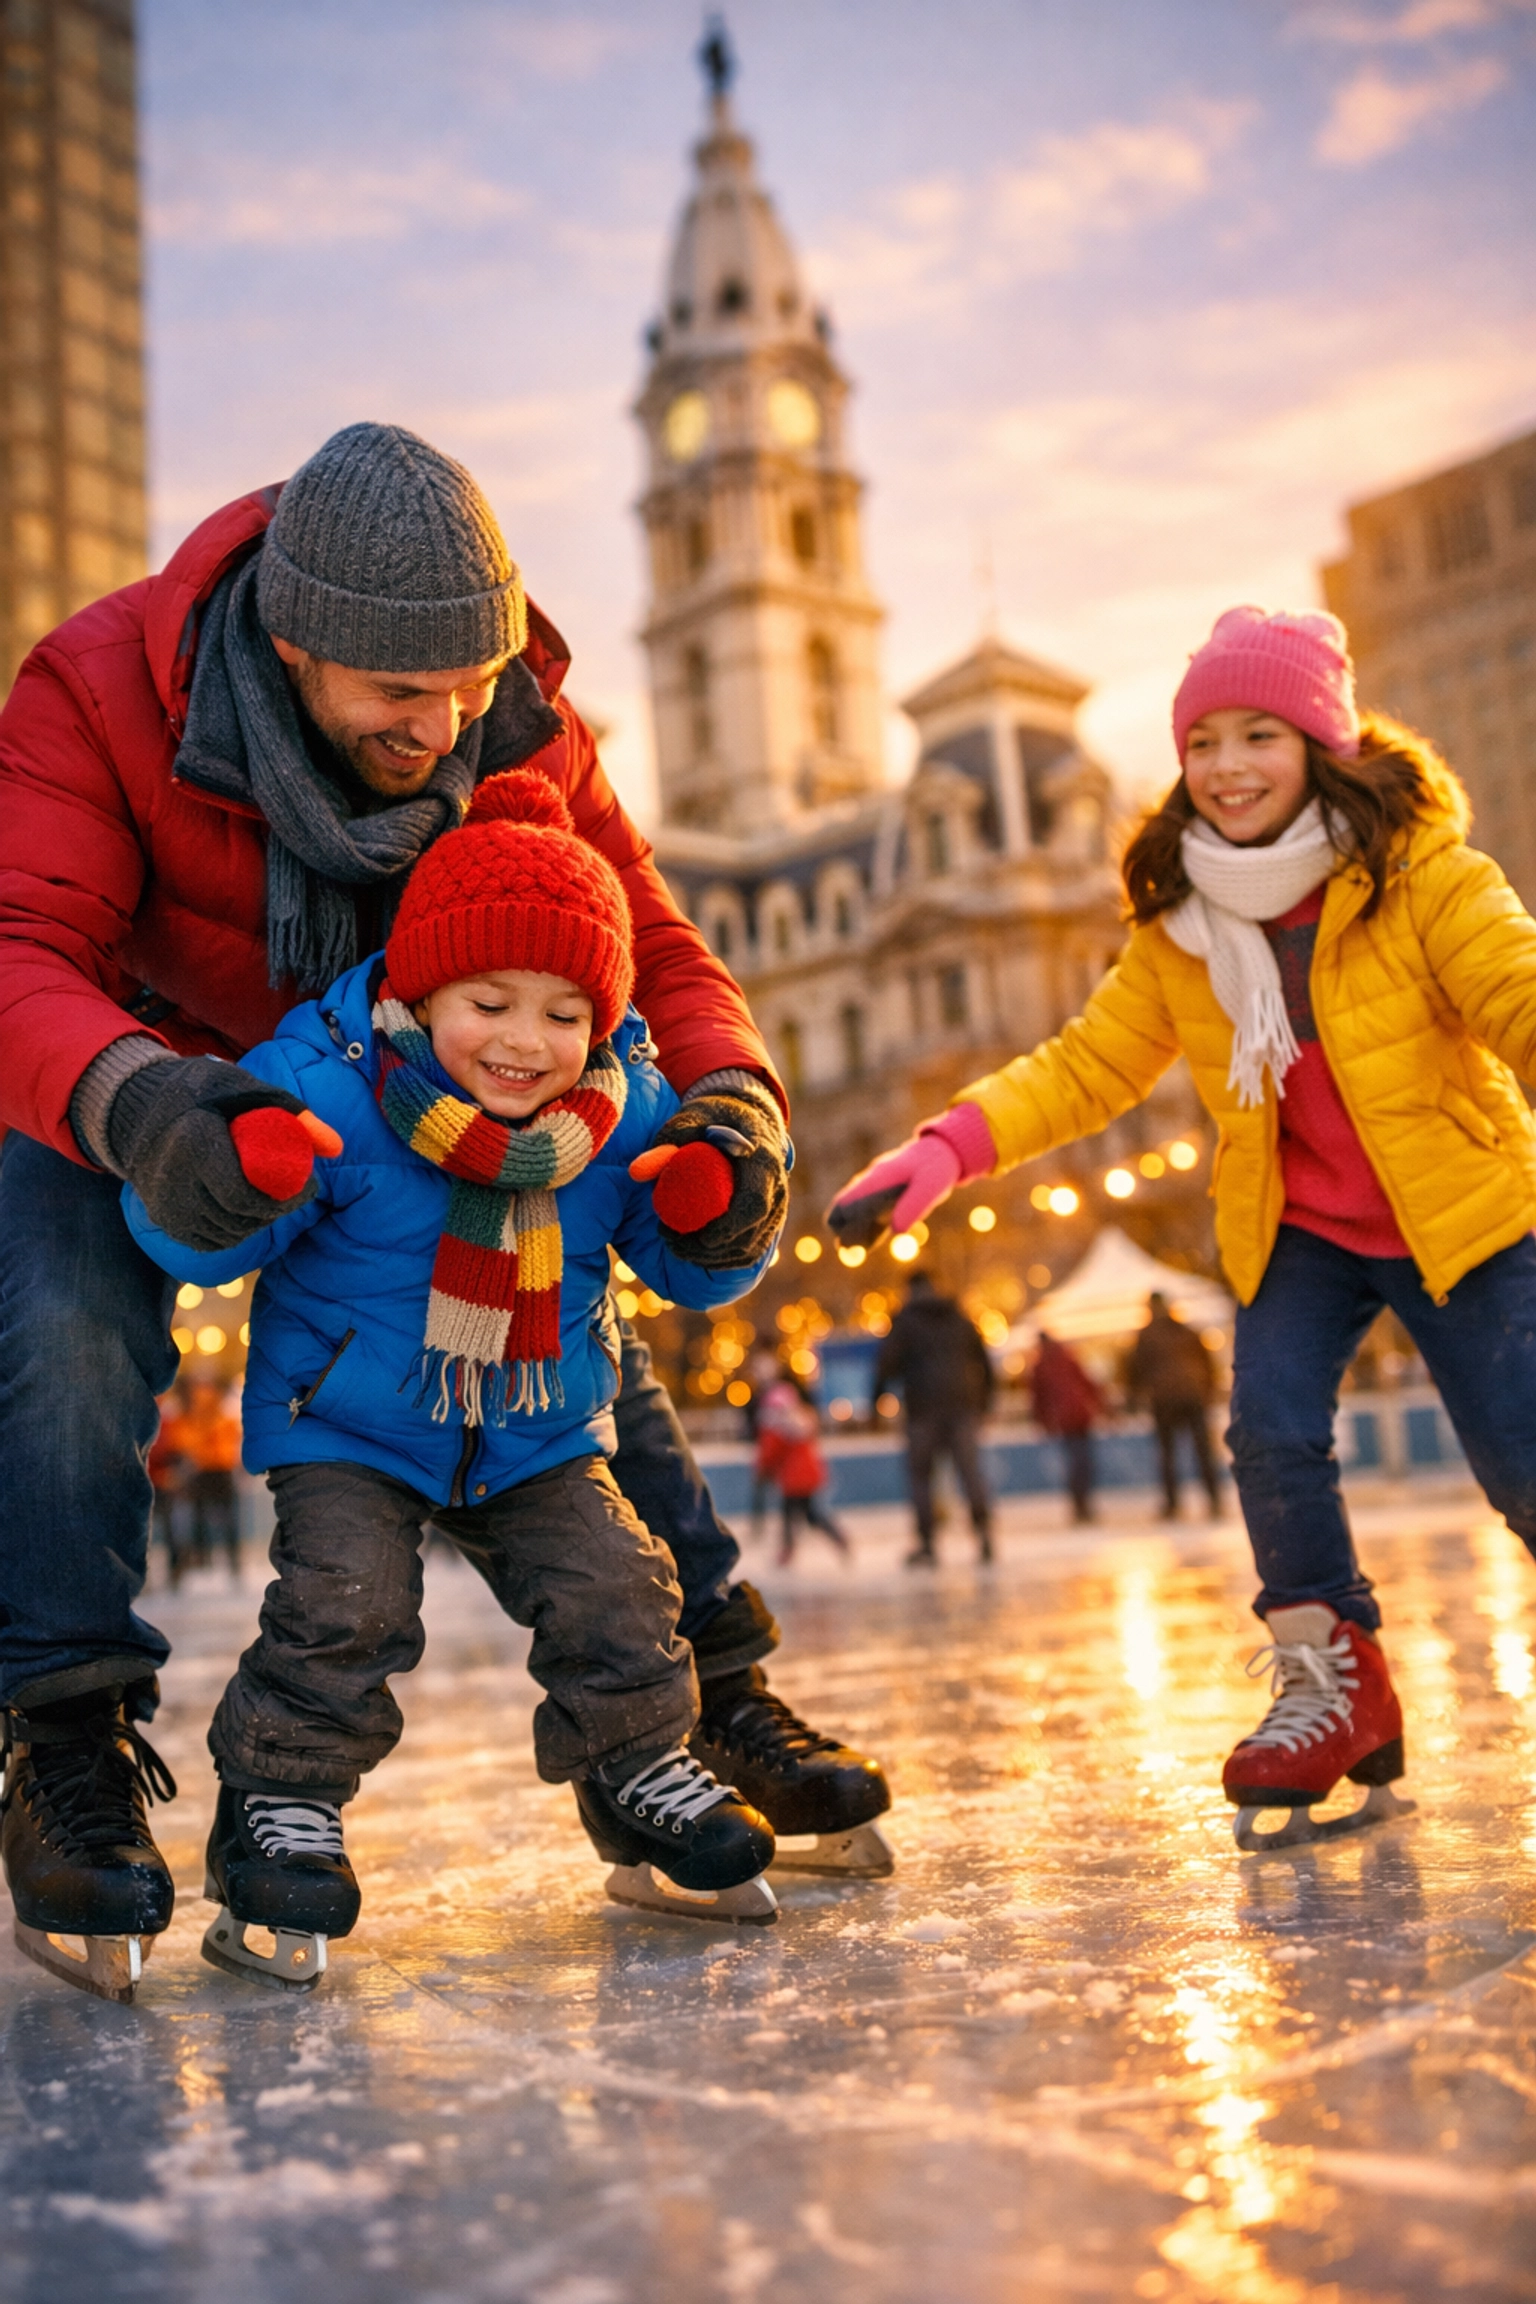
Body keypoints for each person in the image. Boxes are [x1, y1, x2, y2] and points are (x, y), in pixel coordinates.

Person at [0, 423, 888, 2003]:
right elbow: (14, 942)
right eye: (401, 697)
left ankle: (700, 1705)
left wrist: (734, 1100)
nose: (444, 728)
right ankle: (63, 1729)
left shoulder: (519, 720)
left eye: (465, 687)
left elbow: (657, 951)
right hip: (136, 1065)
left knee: (580, 1335)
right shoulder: (99, 693)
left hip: (421, 1075)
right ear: (292, 644)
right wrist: (136, 1102)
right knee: (62, 1334)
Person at [832, 603, 1536, 1848]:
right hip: (1300, 1226)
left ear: (1323, 744)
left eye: (1259, 734)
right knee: (1267, 1433)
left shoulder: (1428, 878)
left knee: (1521, 1456)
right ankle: (1337, 1690)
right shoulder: (1182, 926)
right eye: (1203, 740)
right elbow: (1083, 1066)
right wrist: (944, 1151)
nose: (1226, 767)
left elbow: (1515, 991)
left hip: (1465, 1212)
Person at [123, 770, 784, 1976]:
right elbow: (189, 1243)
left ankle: (638, 1767)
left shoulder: (622, 1114)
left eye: (565, 1012)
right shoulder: (330, 1089)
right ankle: (278, 1809)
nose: (528, 1045)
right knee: (348, 1609)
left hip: (536, 1420)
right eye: (491, 1001)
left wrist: (715, 1205)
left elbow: (689, 1273)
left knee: (622, 1590)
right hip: (352, 1425)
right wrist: (230, 1170)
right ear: (422, 989)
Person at [874, 1272, 994, 1565]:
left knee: (921, 1476)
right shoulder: (959, 1318)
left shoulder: (905, 1322)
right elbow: (985, 1363)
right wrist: (985, 1403)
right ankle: (985, 1536)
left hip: (923, 1410)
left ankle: (928, 1544)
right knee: (969, 1472)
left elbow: (886, 1365)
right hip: (962, 1407)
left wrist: (875, 1400)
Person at [1125, 1292, 1222, 1520]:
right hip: (1193, 1396)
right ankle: (1214, 1500)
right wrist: (1207, 1390)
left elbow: (1134, 1369)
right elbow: (1207, 1362)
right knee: (1203, 1451)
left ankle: (1172, 1504)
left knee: (1168, 1454)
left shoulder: (1146, 1335)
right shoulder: (1186, 1330)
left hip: (1165, 1399)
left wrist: (1133, 1397)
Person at [756, 1371, 849, 1565]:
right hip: (809, 1477)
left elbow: (769, 1454)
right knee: (809, 1515)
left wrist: (762, 1470)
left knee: (792, 1515)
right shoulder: (802, 1420)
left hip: (793, 1480)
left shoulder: (778, 1429)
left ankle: (787, 1551)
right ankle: (836, 1537)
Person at [1028, 1331, 1103, 1526]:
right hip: (1080, 1415)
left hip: (1067, 1419)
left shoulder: (1041, 1365)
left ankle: (1080, 1504)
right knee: (1082, 1462)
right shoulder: (1067, 1356)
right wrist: (1101, 1403)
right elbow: (1087, 1381)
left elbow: (1038, 1398)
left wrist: (1042, 1420)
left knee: (1076, 1462)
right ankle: (1083, 1504)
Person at [175, 1379, 245, 1577]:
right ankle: (203, 1560)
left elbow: (232, 1445)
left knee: (228, 1519)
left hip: (221, 1471)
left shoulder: (224, 1420)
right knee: (199, 1518)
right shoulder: (192, 1421)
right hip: (203, 1472)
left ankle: (233, 1562)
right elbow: (186, 1444)